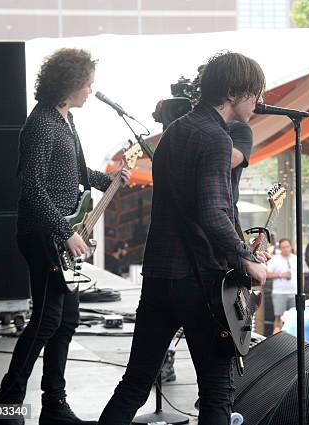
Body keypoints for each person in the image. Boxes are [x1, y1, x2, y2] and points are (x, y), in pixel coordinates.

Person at [97, 52, 268, 425]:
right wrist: (245, 257)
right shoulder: (215, 138)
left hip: (160, 274)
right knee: (216, 391)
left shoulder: (174, 132)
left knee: (136, 382)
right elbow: (212, 212)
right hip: (199, 280)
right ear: (235, 91)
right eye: (254, 93)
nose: (258, 102)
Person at [0, 48, 131, 425]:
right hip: (43, 236)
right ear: (70, 83)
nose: (91, 89)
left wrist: (108, 180)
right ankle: (4, 409)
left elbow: (74, 172)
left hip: (60, 236)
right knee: (47, 321)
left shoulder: (65, 120)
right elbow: (32, 187)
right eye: (87, 82)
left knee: (66, 322)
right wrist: (66, 232)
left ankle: (54, 406)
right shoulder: (42, 123)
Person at [266, 239, 297, 332]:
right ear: (280, 249)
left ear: (291, 247)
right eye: (283, 247)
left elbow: (302, 275)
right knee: (279, 317)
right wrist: (280, 275)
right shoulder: (275, 259)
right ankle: (276, 340)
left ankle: (293, 341)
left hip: (294, 292)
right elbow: (267, 274)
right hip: (279, 292)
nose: (286, 249)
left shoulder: (296, 258)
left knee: (294, 318)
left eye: (287, 246)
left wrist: (301, 289)